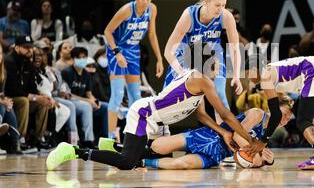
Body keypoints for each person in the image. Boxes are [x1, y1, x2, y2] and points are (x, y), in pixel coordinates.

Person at [46, 43, 265, 171]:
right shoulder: (201, 80)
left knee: (159, 161)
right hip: (145, 114)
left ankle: (113, 146)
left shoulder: (198, 81)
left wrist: (225, 134)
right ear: (208, 63)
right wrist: (251, 138)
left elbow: (203, 116)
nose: (220, 68)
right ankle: (75, 151)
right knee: (127, 163)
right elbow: (225, 114)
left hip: (160, 122)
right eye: (218, 63)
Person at [246, 54, 314, 170]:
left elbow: (276, 114)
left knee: (303, 120)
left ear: (254, 70)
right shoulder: (274, 71)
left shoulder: (266, 75)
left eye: (248, 74)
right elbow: (288, 105)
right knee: (303, 115)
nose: (249, 79)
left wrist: (263, 141)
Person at [164, 0, 243, 114]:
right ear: (206, 1)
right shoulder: (189, 15)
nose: (221, 9)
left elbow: (235, 49)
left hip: (212, 53)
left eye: (224, 5)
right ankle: (160, 130)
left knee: (219, 94)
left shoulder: (226, 16)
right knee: (168, 98)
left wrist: (236, 75)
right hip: (188, 53)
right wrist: (182, 73)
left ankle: (228, 133)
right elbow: (167, 51)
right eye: (217, 5)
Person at [142, 104, 291, 169]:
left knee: (181, 164)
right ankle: (135, 148)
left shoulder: (267, 134)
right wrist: (257, 156)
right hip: (207, 135)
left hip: (217, 153)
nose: (284, 120)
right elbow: (238, 134)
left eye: (287, 120)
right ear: (274, 109)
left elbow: (249, 161)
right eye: (283, 114)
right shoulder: (258, 114)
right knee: (157, 146)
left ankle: (143, 162)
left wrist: (268, 161)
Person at [104, 0, 164, 142]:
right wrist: (116, 53)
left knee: (135, 97)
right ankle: (110, 137)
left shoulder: (152, 9)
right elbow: (107, 31)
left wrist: (159, 58)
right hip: (116, 49)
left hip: (133, 50)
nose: (145, 1)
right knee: (117, 95)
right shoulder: (126, 10)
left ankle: (132, 137)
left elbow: (152, 34)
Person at [4, 35, 52, 151]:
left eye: (30, 47)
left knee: (43, 102)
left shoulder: (28, 63)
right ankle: (19, 139)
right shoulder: (9, 61)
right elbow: (11, 89)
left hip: (24, 96)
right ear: (17, 47)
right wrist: (34, 97)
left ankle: (38, 139)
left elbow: (33, 87)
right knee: (24, 101)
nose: (29, 50)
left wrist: (41, 96)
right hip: (9, 98)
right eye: (25, 47)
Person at [61, 47, 107, 145]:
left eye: (84, 57)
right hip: (71, 100)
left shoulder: (86, 74)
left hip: (83, 101)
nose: (82, 60)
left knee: (106, 107)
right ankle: (87, 139)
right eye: (79, 57)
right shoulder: (67, 72)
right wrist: (88, 101)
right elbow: (67, 94)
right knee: (86, 106)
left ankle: (106, 138)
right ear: (73, 59)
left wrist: (95, 101)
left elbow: (89, 94)